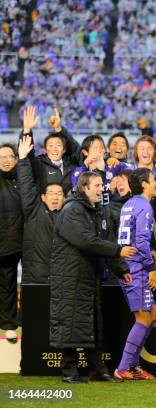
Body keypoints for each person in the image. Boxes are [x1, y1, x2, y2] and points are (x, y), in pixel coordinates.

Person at [49, 171, 136, 383]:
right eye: (97, 185)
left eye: (101, 185)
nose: (101, 189)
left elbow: (105, 238)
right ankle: (69, 372)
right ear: (84, 188)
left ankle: (98, 369)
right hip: (69, 277)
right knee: (70, 323)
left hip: (89, 276)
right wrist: (118, 251)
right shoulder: (71, 210)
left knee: (91, 324)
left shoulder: (98, 211)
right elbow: (87, 241)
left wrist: (121, 269)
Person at [115, 168, 156, 380]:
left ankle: (133, 365)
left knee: (152, 316)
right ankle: (123, 368)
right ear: (144, 184)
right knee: (143, 318)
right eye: (153, 180)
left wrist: (149, 252)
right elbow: (141, 241)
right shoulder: (145, 206)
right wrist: (151, 268)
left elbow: (135, 239)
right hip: (137, 269)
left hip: (130, 265)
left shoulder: (129, 204)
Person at [17, 136, 65, 284]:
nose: (55, 197)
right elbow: (26, 185)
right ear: (43, 197)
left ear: (65, 198)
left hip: (62, 279)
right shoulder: (33, 210)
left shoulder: (69, 217)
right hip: (35, 278)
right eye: (51, 193)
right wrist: (23, 159)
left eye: (59, 193)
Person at [20, 106, 80, 194]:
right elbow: (27, 154)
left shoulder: (72, 166)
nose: (54, 149)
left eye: (58, 145)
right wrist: (26, 131)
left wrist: (59, 129)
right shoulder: (39, 165)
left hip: (69, 207)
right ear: (45, 149)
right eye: (50, 145)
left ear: (64, 150)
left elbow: (76, 150)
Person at [0, 142, 22, 344]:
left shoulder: (25, 176)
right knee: (7, 283)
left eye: (9, 156)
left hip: (31, 238)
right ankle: (8, 326)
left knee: (36, 282)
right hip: (6, 240)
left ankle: (34, 322)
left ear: (16, 158)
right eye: (1, 157)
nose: (5, 160)